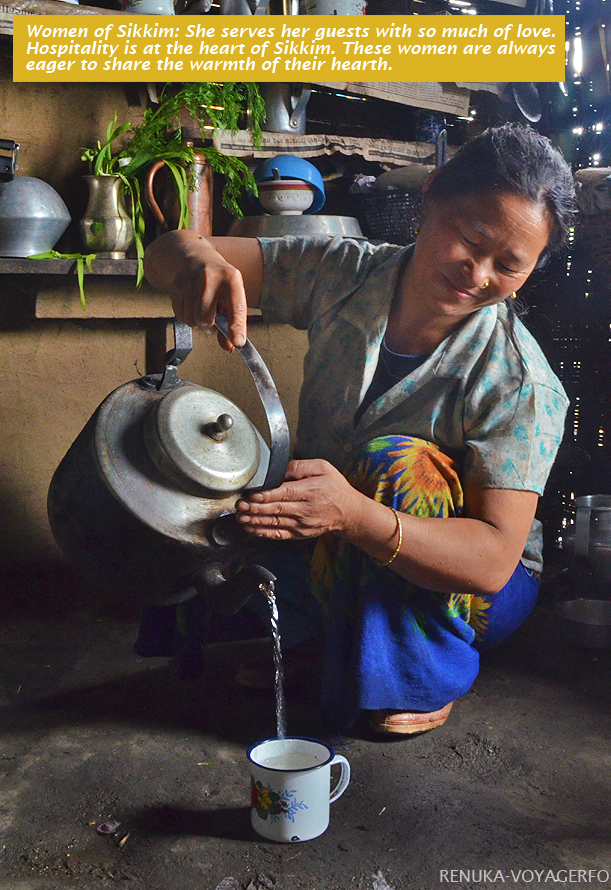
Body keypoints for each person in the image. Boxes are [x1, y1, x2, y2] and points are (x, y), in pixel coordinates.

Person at [143, 123, 577, 736]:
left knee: (398, 464)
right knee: (215, 487)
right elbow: (172, 249)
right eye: (470, 239)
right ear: (431, 197)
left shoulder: (519, 381)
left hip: (467, 592)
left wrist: (353, 515)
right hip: (340, 543)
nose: (477, 273)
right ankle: (334, 639)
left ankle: (422, 675)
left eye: (508, 265)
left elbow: (492, 562)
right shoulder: (343, 272)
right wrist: (195, 261)